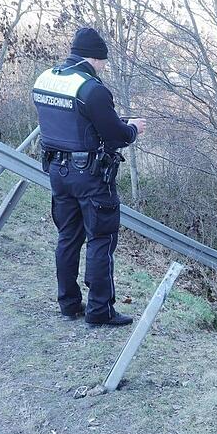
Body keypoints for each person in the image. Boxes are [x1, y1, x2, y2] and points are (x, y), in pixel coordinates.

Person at [31, 28, 147, 326]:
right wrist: (132, 128)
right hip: (91, 177)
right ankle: (99, 310)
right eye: (103, 62)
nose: (104, 67)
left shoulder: (45, 79)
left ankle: (68, 304)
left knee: (68, 237)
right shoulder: (91, 88)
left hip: (57, 171)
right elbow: (116, 136)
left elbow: (73, 121)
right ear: (95, 58)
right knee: (101, 239)